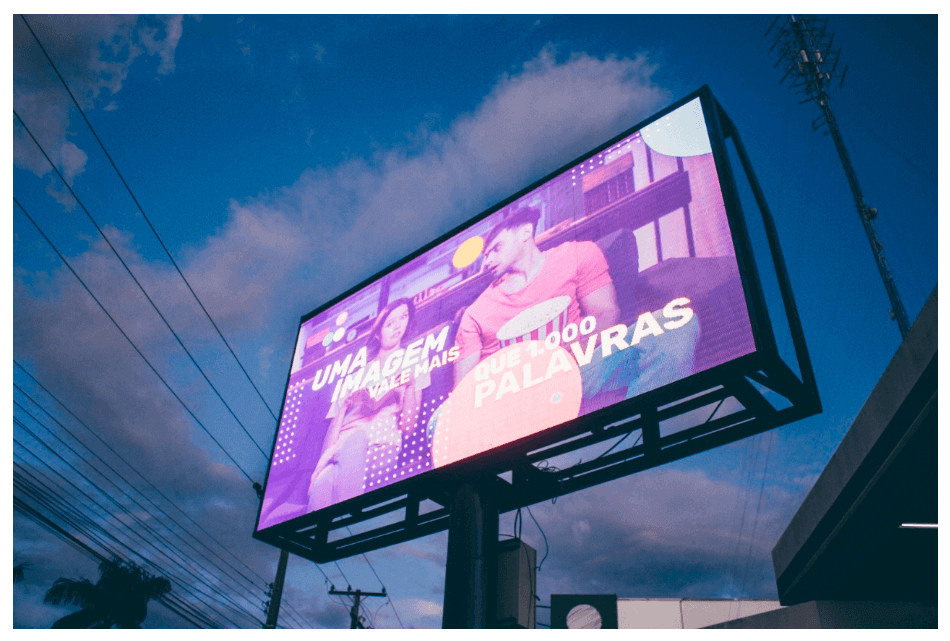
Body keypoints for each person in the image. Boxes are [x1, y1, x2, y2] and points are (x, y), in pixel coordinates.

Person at [453, 205, 699, 404]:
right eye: (485, 255)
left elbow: (606, 313)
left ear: (525, 232)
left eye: (496, 249)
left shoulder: (576, 255)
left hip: (578, 365)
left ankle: (639, 430)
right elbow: (463, 392)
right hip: (511, 396)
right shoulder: (476, 312)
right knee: (438, 422)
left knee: (675, 324)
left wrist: (561, 361)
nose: (488, 262)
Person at [307, 298, 429, 511]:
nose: (398, 326)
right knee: (321, 485)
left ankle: (348, 518)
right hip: (339, 450)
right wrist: (344, 407)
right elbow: (328, 445)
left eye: (403, 318)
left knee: (356, 442)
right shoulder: (354, 375)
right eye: (390, 323)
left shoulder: (414, 359)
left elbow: (409, 429)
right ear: (378, 331)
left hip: (382, 445)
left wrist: (409, 387)